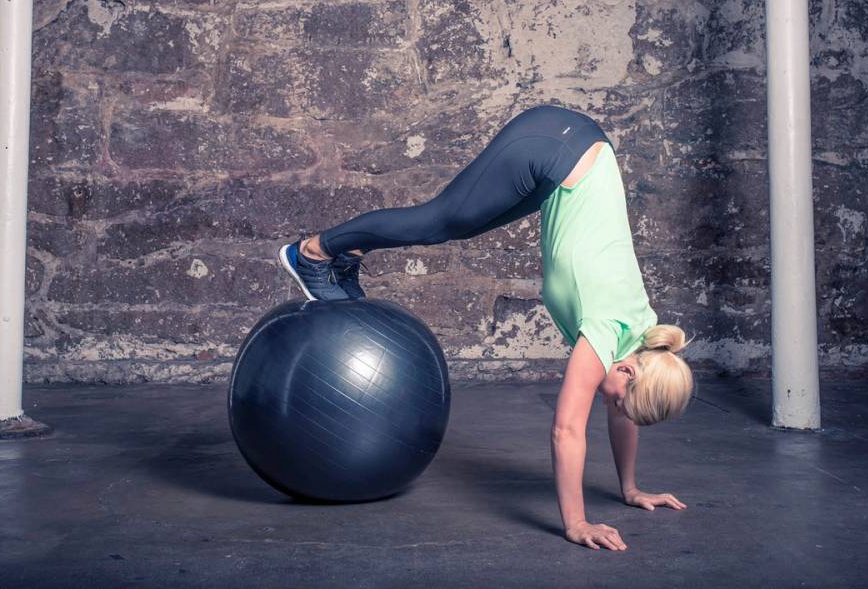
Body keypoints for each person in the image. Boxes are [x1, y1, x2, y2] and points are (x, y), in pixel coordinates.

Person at [279, 103, 694, 551]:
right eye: (616, 400)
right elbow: (567, 430)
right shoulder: (604, 332)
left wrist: (630, 489)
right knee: (439, 220)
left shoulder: (646, 339)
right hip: (555, 144)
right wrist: (576, 523)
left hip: (574, 156)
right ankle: (312, 252)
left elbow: (624, 411)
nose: (611, 405)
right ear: (628, 371)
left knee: (456, 225)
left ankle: (348, 253)